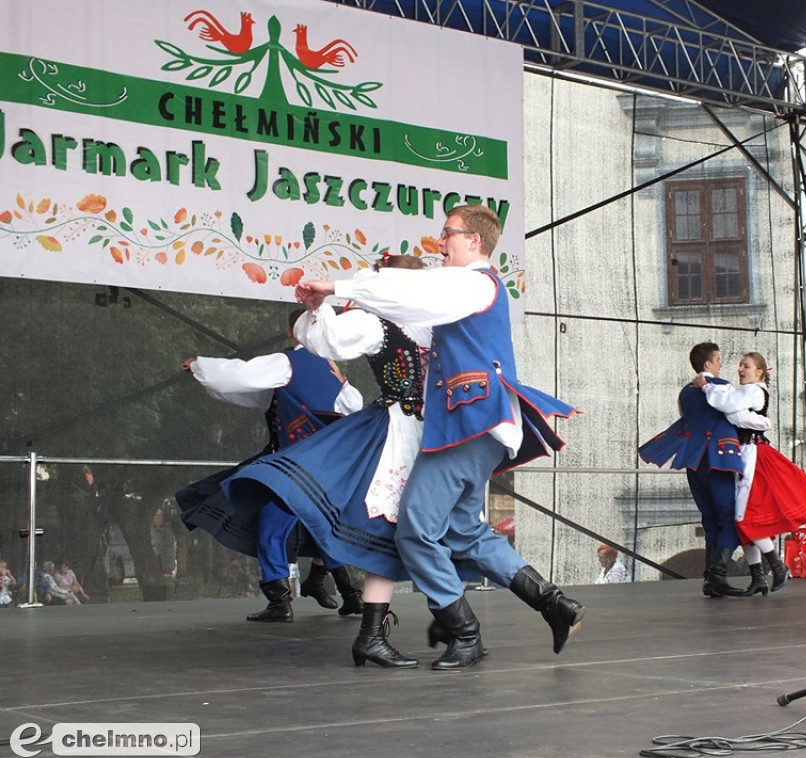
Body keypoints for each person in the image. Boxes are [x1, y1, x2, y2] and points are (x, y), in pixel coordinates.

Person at [296, 204, 583, 670]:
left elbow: (412, 291)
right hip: (469, 427)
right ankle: (554, 604)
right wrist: (326, 309)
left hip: (467, 425)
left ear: (475, 240)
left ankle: (465, 632)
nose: (440, 242)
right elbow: (401, 302)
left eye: (447, 233)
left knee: (413, 530)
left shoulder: (472, 282)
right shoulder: (456, 292)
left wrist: (336, 287)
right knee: (464, 531)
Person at [225, 253, 433, 668]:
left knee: (424, 526)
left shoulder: (432, 319)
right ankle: (434, 623)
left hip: (412, 436)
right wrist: (323, 305)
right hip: (379, 437)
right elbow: (331, 344)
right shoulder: (371, 326)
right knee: (386, 523)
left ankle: (341, 593)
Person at [179, 309, 365, 622]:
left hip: (295, 467)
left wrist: (201, 366)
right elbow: (352, 404)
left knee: (271, 527)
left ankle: (280, 602)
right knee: (322, 526)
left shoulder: (287, 363)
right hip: (325, 469)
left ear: (292, 333)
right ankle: (347, 592)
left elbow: (241, 374)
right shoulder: (330, 369)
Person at [702, 352, 806, 596]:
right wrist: (751, 419)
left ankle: (776, 565)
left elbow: (731, 408)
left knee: (745, 518)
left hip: (754, 457)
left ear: (760, 372)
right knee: (743, 520)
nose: (740, 370)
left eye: (746, 366)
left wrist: (707, 388)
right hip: (745, 455)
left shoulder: (753, 391)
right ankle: (759, 576)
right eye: (740, 366)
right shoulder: (747, 392)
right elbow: (737, 412)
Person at [638, 342, 762, 598]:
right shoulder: (720, 387)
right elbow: (736, 414)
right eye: (718, 359)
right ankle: (717, 576)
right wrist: (763, 421)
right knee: (728, 516)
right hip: (719, 458)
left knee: (710, 519)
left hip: (694, 460)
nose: (721, 364)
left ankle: (711, 578)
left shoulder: (685, 392)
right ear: (708, 365)